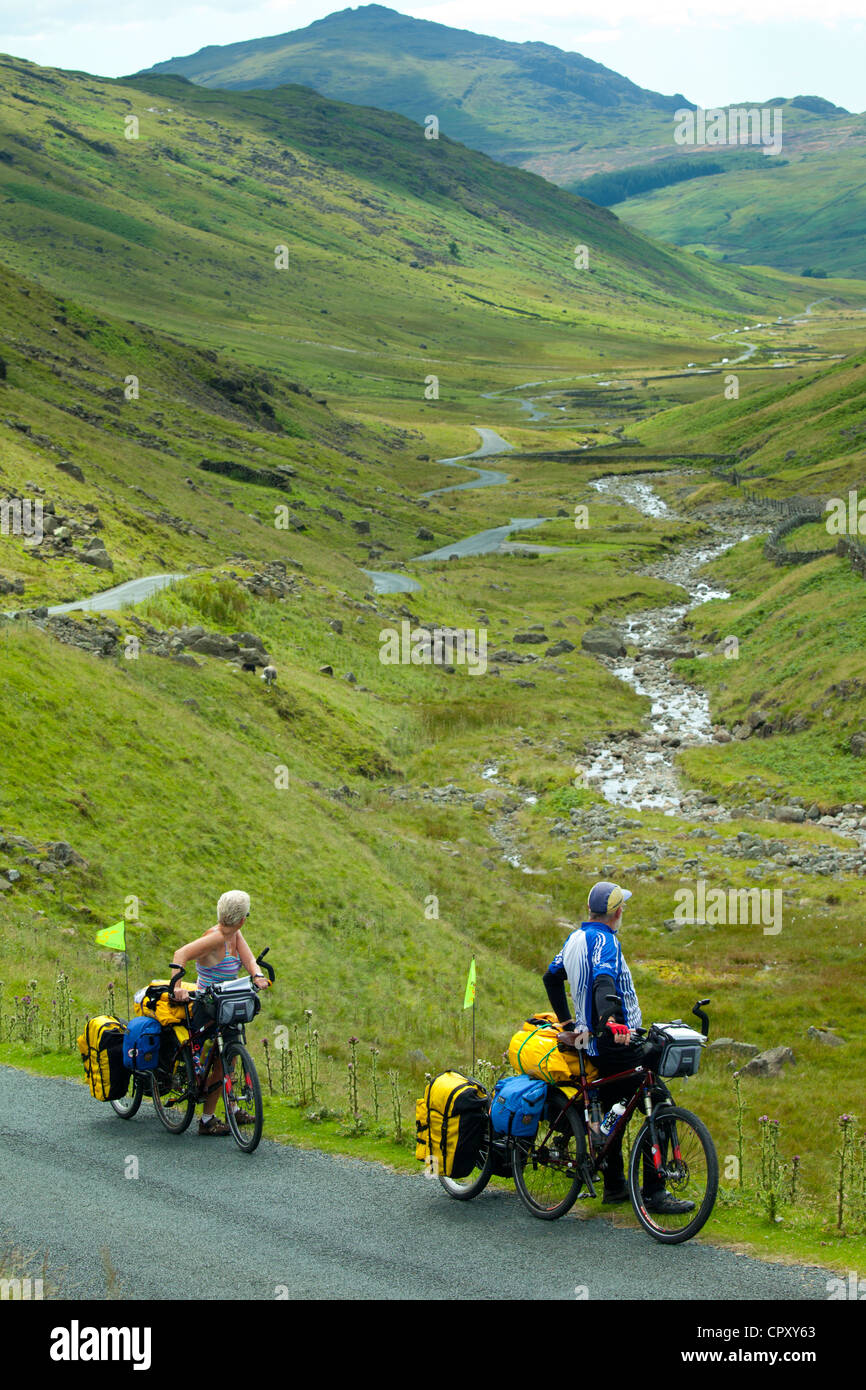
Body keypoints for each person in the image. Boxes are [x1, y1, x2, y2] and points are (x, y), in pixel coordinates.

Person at [543, 880, 693, 1214]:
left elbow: (551, 978)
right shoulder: (607, 941)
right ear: (617, 912)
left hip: (588, 1043)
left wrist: (567, 1022)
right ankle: (654, 1191)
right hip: (612, 1040)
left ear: (589, 910)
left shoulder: (573, 939)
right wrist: (611, 1021)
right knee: (659, 1099)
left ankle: (614, 1186)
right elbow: (604, 981)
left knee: (614, 1104)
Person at [170, 890, 270, 1136]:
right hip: (206, 1005)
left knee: (231, 1055)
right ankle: (207, 1119)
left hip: (227, 1001)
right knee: (217, 1061)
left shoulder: (235, 934)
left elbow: (248, 959)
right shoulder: (214, 939)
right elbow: (180, 955)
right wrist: (177, 988)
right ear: (242, 918)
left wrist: (257, 975)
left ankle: (233, 1108)